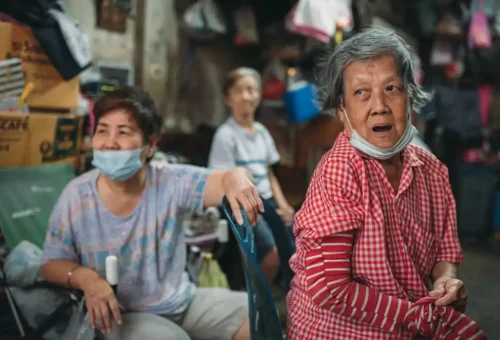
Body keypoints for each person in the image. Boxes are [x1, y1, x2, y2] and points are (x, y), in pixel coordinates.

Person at [287, 27, 485, 339]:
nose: (379, 105)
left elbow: (444, 254)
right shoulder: (340, 171)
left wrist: (446, 281)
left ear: (411, 98)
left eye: (392, 88)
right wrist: (417, 317)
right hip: (337, 330)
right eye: (361, 92)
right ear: (342, 111)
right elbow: (330, 288)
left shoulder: (433, 171)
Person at [40, 86, 263, 340]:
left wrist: (236, 176)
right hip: (120, 314)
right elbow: (51, 263)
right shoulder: (76, 196)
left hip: (180, 302)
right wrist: (87, 279)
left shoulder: (171, 181)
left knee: (259, 316)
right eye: (102, 131)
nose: (110, 143)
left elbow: (224, 179)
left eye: (123, 132)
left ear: (150, 144)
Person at [208, 67, 294, 286]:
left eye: (252, 90)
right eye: (239, 90)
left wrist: (283, 206)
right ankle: (254, 304)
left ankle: (284, 296)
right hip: (244, 205)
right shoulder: (226, 135)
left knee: (295, 247)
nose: (246, 95)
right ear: (228, 98)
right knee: (272, 254)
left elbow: (269, 174)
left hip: (268, 201)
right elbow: (223, 180)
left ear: (259, 96)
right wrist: (253, 211)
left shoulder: (262, 132)